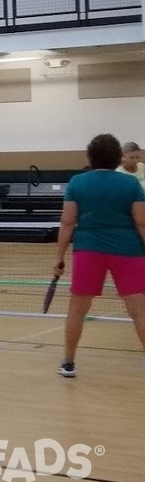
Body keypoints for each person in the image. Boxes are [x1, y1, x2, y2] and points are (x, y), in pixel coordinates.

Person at [53, 133, 145, 378]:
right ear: (118, 157)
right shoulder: (131, 184)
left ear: (90, 157)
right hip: (129, 250)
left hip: (88, 249)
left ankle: (69, 363)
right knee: (139, 311)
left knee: (77, 309)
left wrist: (59, 257)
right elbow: (142, 223)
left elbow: (67, 222)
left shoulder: (77, 183)